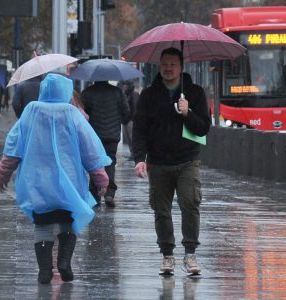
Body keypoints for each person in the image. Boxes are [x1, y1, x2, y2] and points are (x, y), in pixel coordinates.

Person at [0, 73, 111, 284]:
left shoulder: (31, 112)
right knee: (67, 221)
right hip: (68, 181)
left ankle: (45, 269)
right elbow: (90, 149)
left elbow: (13, 147)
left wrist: (3, 175)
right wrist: (101, 178)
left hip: (37, 182)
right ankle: (64, 262)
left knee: (43, 224)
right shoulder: (72, 114)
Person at [132, 47, 211, 276]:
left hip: (187, 160)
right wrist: (140, 159)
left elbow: (204, 127)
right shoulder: (149, 95)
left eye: (173, 64)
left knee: (190, 204)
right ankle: (167, 254)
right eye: (164, 64)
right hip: (158, 163)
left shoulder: (194, 93)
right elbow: (140, 129)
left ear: (181, 67)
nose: (168, 69)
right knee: (161, 210)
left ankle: (190, 253)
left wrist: (188, 113)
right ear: (160, 66)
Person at [81, 80, 130, 208]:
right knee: (110, 162)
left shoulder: (87, 93)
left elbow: (83, 114)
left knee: (94, 163)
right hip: (112, 136)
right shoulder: (117, 92)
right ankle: (109, 193)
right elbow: (126, 113)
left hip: (94, 135)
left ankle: (95, 194)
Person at [121, 80, 140, 160]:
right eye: (124, 84)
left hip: (131, 120)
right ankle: (132, 153)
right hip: (126, 120)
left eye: (126, 85)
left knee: (132, 138)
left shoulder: (134, 94)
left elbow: (135, 107)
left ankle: (135, 154)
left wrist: (131, 119)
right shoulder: (126, 94)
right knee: (128, 138)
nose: (124, 86)